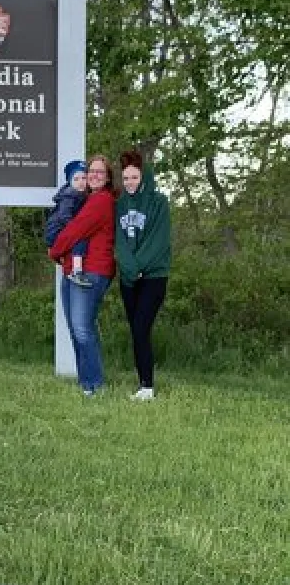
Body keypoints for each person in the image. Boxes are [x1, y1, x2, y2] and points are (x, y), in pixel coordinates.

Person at [49, 155, 116, 396]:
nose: (94, 175)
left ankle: (94, 385)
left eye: (100, 172)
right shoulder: (85, 199)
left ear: (107, 178)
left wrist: (54, 250)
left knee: (81, 328)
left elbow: (75, 231)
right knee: (77, 328)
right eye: (91, 171)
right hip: (73, 271)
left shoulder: (101, 201)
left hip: (91, 271)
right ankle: (86, 381)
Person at [115, 149, 171, 401]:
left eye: (134, 178)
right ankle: (142, 384)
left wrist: (140, 266)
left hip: (153, 277)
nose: (129, 183)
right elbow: (119, 241)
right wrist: (129, 268)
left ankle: (147, 386)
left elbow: (158, 241)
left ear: (144, 177)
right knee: (136, 330)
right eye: (126, 178)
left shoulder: (159, 203)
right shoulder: (119, 205)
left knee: (141, 326)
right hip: (128, 277)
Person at [45, 160, 93, 287]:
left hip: (58, 230)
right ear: (70, 182)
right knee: (80, 239)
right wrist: (75, 227)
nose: (81, 181)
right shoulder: (70, 195)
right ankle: (77, 271)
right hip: (55, 230)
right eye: (76, 179)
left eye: (84, 178)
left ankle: (61, 258)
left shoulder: (81, 195)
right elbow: (63, 216)